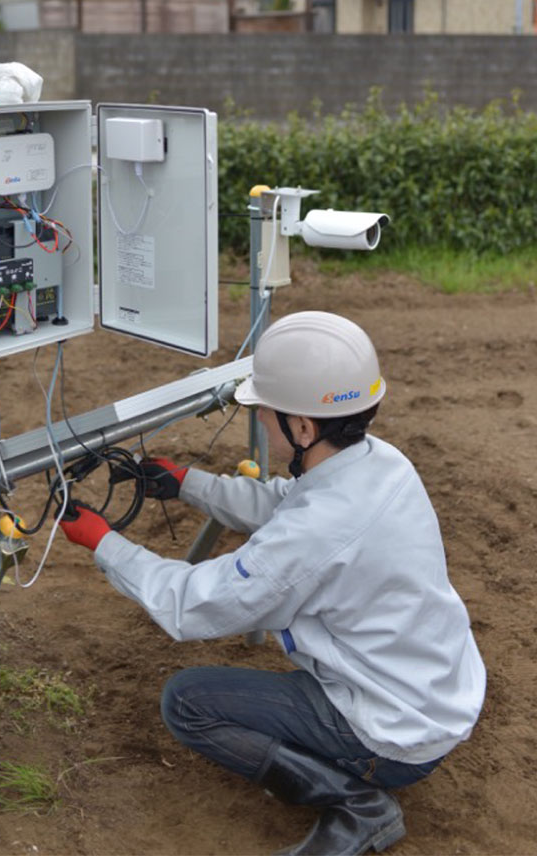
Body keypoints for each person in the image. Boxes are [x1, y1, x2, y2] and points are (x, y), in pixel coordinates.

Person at [59, 311, 486, 856]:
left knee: (186, 701)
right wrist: (188, 484)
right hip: (433, 693)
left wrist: (102, 543)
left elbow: (192, 606)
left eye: (264, 410)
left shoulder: (315, 535)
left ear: (303, 428)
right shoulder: (381, 464)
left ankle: (358, 803)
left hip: (391, 734)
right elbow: (288, 505)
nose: (258, 418)